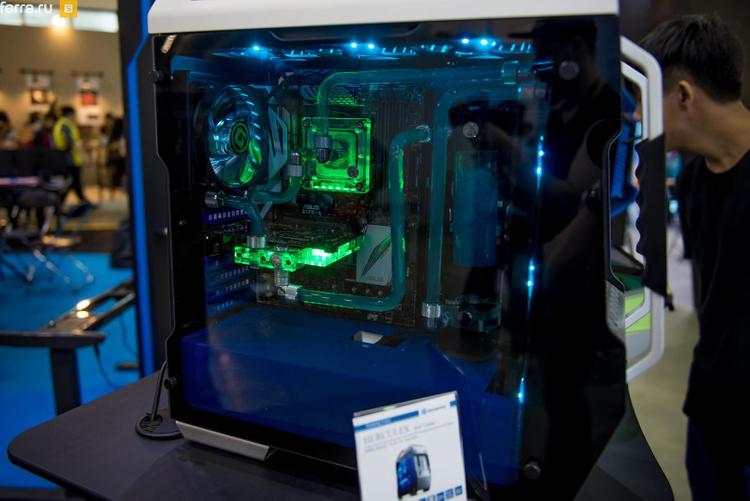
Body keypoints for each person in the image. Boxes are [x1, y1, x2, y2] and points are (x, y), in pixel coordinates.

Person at [641, 14, 750, 500]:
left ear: (683, 95)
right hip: (710, 409)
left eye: (647, 99)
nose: (640, 117)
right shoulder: (690, 181)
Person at [53, 105, 92, 205]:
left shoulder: (59, 124)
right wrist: (85, 156)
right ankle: (60, 202)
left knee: (72, 182)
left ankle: (82, 201)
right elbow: (73, 143)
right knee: (72, 182)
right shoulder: (66, 125)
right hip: (70, 159)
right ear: (70, 114)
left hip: (64, 159)